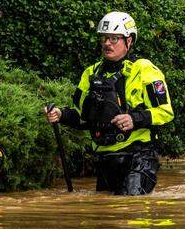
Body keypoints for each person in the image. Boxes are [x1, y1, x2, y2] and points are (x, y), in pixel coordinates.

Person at [45, 11, 173, 195]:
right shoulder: (90, 73)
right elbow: (82, 117)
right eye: (104, 38)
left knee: (129, 208)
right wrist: (61, 114)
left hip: (139, 157)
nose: (107, 43)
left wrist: (134, 119)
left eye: (114, 38)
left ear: (129, 41)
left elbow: (166, 112)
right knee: (105, 215)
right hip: (106, 158)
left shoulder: (145, 70)